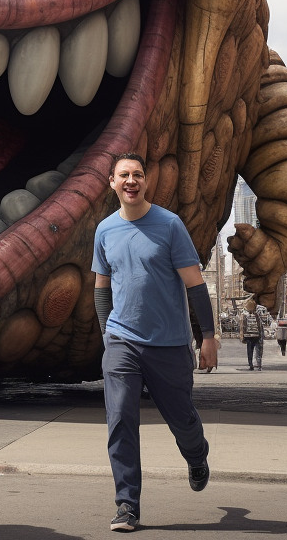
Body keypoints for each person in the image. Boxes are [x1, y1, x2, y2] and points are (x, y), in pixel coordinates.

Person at [92, 152, 217, 533]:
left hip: (170, 344)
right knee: (120, 420)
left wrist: (208, 337)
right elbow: (102, 288)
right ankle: (127, 505)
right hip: (122, 342)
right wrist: (107, 338)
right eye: (124, 175)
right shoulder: (105, 230)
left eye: (138, 175)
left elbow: (195, 285)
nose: (131, 181)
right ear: (112, 183)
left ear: (146, 182)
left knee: (183, 422)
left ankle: (196, 455)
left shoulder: (169, 225)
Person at [239, 298, 264, 370]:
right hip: (256, 335)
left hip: (248, 336)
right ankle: (259, 365)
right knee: (258, 350)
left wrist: (242, 336)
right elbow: (260, 326)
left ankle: (251, 365)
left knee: (250, 351)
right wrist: (260, 335)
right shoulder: (256, 315)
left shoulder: (244, 315)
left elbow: (242, 326)